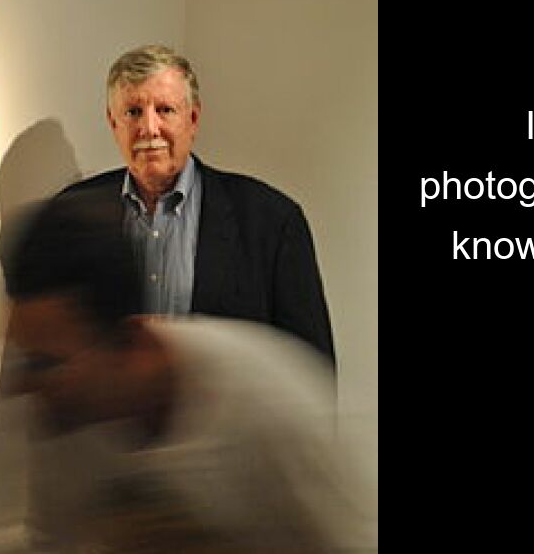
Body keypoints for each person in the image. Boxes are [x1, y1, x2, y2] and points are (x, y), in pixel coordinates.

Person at [0, 192, 368, 552]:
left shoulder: (273, 404)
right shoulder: (62, 419)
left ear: (129, 339)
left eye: (46, 364)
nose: (25, 387)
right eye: (25, 360)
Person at [56, 45, 334, 361]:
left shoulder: (271, 221)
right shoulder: (71, 213)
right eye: (133, 112)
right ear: (112, 122)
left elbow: (312, 368)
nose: (149, 128)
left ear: (193, 118)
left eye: (165, 110)